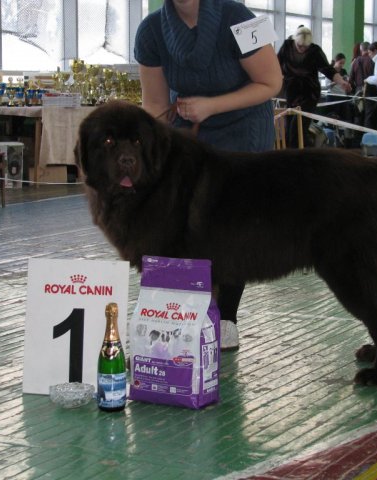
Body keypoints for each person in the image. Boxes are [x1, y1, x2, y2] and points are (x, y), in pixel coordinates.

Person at [134, 0, 283, 350]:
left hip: (244, 133)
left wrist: (211, 105)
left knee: (232, 229)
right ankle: (180, 316)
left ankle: (226, 317)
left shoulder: (242, 18)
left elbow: (272, 81)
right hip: (189, 136)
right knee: (182, 226)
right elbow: (155, 103)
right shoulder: (150, 31)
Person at [278, 25, 349, 147]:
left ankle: (304, 157)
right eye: (299, 46)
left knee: (297, 128)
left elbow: (328, 70)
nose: (302, 49)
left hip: (309, 94)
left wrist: (342, 82)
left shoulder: (315, 51)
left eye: (305, 47)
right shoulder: (287, 46)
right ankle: (302, 154)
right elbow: (275, 64)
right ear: (294, 40)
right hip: (291, 92)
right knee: (289, 131)